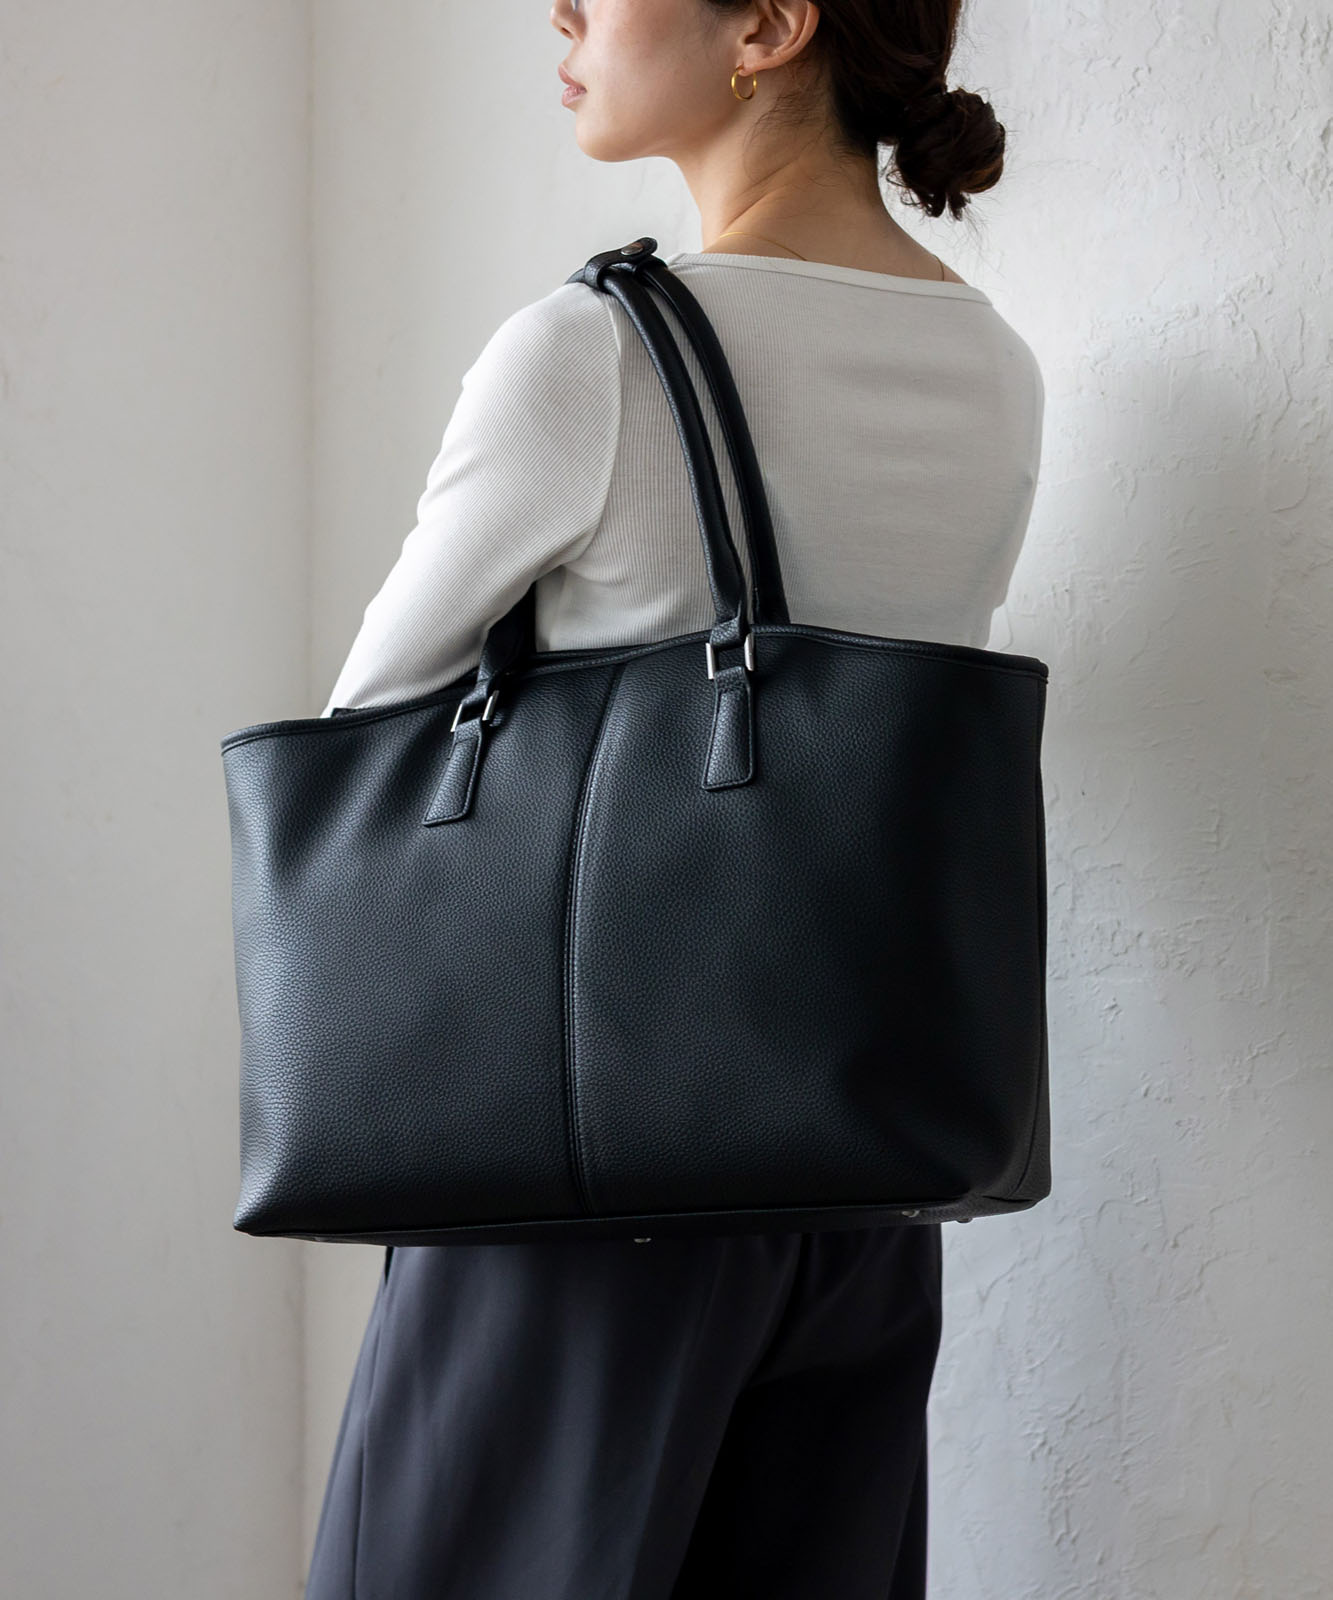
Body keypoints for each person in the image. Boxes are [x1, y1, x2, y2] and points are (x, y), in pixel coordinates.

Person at [303, 0, 1044, 1595]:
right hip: (857, 1184)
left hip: (585, 1183)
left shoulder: (595, 349)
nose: (561, 12)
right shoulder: (990, 362)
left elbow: (371, 730)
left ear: (765, 26)